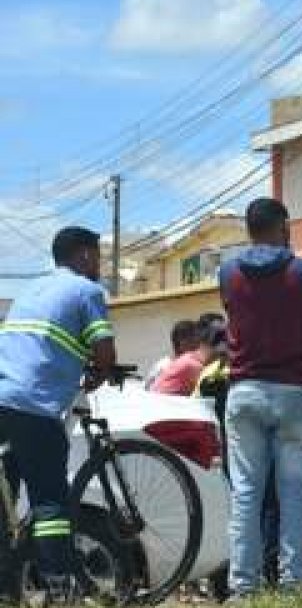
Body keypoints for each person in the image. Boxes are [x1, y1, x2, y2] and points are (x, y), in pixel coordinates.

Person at [216, 198, 302, 596]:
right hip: (293, 392)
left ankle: (242, 588)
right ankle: (293, 583)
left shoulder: (228, 271)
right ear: (284, 226)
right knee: (293, 492)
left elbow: (232, 315)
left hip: (244, 390)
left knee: (245, 493)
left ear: (249, 229)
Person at [0, 227, 117, 601]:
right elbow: (105, 352)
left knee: (5, 493)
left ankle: (6, 589)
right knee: (50, 502)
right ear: (84, 255)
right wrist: (100, 372)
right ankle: (59, 588)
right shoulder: (88, 291)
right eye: (97, 255)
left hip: (3, 397)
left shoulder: (31, 290)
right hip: (35, 404)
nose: (99, 263)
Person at [150, 320, 211, 396]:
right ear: (183, 342)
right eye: (196, 339)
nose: (199, 344)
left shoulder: (177, 363)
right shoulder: (166, 366)